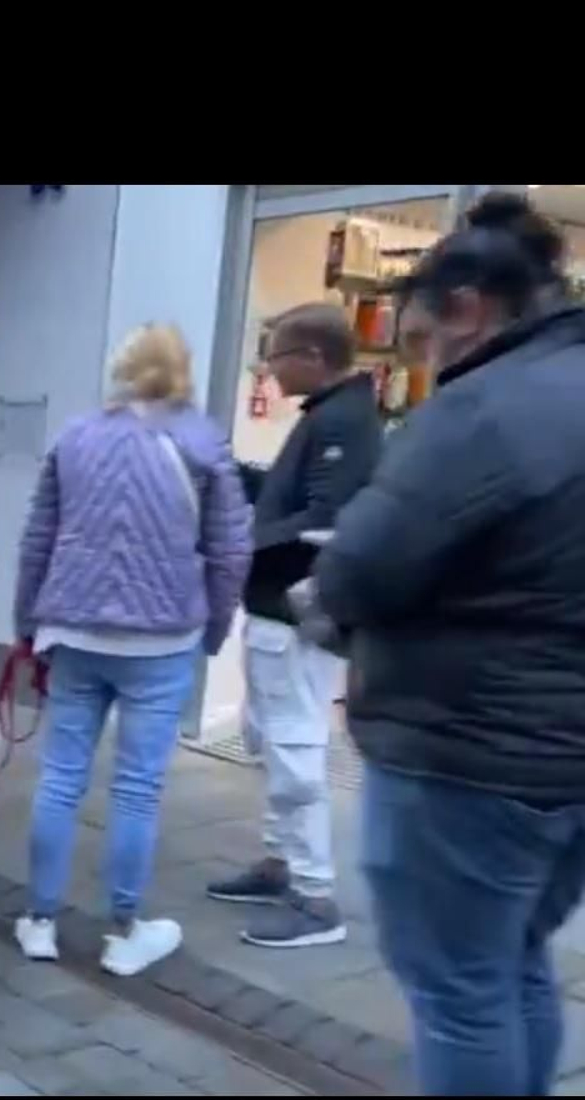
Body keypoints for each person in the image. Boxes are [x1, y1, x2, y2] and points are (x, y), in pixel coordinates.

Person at [315, 193, 585, 1096]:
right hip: (566, 758)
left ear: (467, 308)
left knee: (460, 992)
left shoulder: (484, 409)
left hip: (468, 755)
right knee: (514, 961)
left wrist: (320, 597)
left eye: (423, 342)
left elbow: (362, 567)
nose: (424, 365)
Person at [13, 325, 254, 975]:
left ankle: (39, 921)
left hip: (75, 629)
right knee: (138, 788)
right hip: (163, 636)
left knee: (60, 778)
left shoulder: (76, 436)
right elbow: (231, 551)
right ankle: (123, 929)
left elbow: (37, 539)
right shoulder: (204, 442)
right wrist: (213, 629)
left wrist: (27, 627)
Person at [205, 303, 383, 948]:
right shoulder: (332, 415)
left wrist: (244, 540)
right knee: (271, 738)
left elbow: (326, 519)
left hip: (294, 612)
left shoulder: (344, 422)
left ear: (311, 356)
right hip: (277, 611)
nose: (269, 369)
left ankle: (314, 897)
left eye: (275, 356)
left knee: (294, 747)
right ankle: (281, 864)